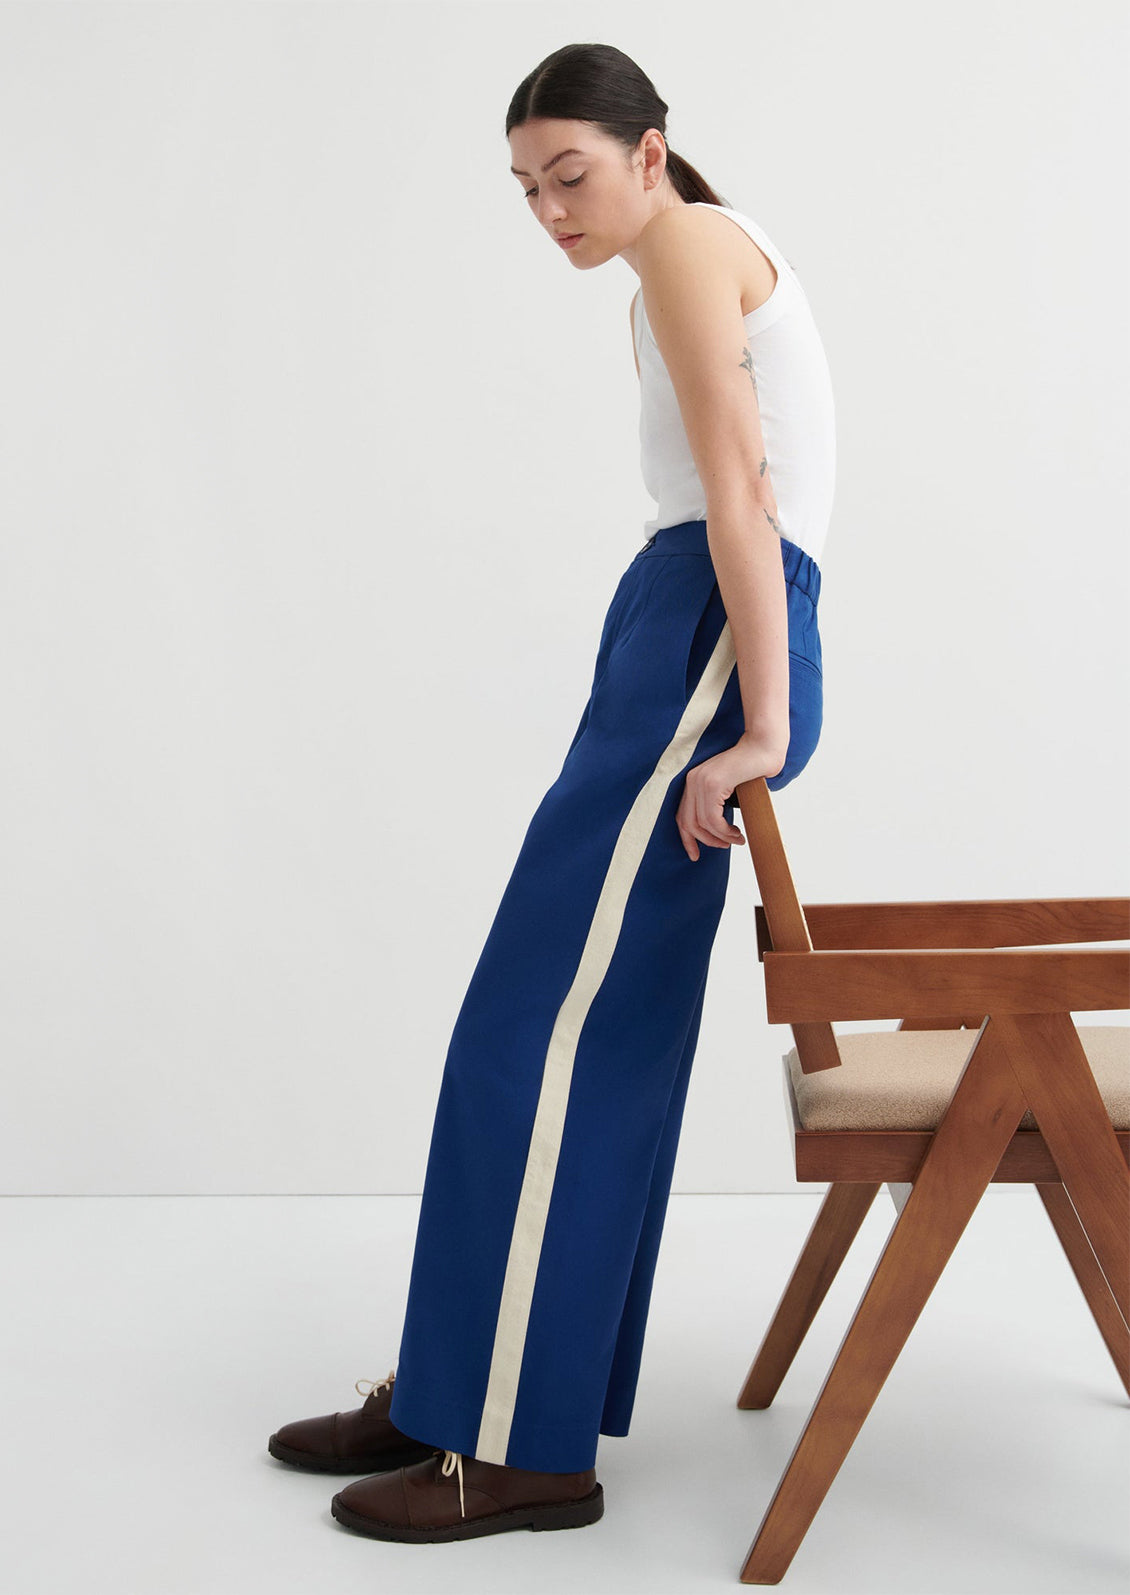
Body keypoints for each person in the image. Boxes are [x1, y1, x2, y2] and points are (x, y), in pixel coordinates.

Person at [267, 40, 835, 1545]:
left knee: (538, 1033)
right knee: (579, 1035)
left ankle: (511, 1442)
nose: (549, 211)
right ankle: (469, 1391)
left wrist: (764, 720)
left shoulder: (689, 246)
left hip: (709, 632)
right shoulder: (683, 262)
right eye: (525, 189)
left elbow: (747, 495)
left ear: (650, 150)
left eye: (568, 175)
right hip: (682, 624)